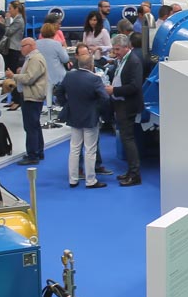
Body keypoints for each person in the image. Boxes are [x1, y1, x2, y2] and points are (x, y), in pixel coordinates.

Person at [58, 53, 108, 189]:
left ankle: (73, 179)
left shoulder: (69, 76)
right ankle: (90, 180)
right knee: (90, 150)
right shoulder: (95, 79)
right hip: (91, 118)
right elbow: (104, 98)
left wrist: (67, 104)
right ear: (91, 65)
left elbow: (59, 91)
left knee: (74, 148)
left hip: (74, 116)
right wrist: (99, 110)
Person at [105, 34, 144, 186]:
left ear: (126, 47)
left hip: (128, 106)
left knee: (128, 140)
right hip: (121, 104)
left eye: (117, 49)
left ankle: (135, 174)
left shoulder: (133, 62)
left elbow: (135, 86)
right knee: (126, 139)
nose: (115, 52)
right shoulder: (123, 60)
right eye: (114, 49)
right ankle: (130, 171)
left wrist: (114, 90)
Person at [7, 38, 48, 166]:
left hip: (32, 96)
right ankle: (38, 151)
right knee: (34, 125)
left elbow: (29, 78)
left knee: (30, 126)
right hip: (31, 95)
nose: (21, 49)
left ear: (30, 46)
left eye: (22, 46)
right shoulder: (33, 58)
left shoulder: (35, 59)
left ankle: (33, 155)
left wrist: (13, 76)